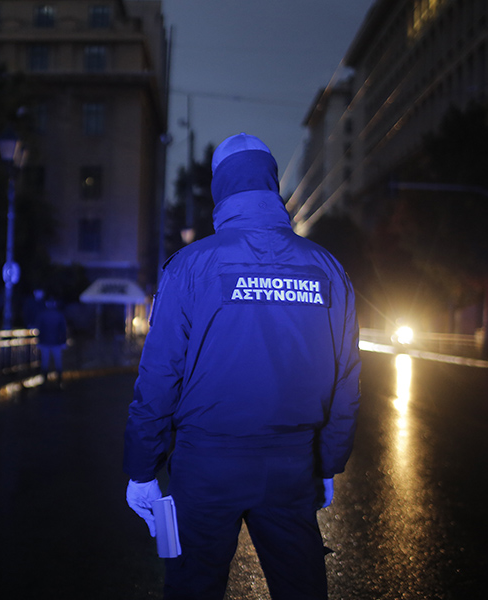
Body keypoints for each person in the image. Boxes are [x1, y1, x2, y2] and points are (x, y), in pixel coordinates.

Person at [123, 133, 361, 599]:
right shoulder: (328, 268)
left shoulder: (190, 266)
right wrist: (327, 464)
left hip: (205, 467)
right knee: (301, 588)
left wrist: (141, 467)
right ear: (272, 184)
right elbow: (346, 381)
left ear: (220, 188)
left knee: (194, 587)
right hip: (291, 467)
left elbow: (158, 377)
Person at [35, 297, 68, 385]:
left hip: (45, 342)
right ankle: (59, 379)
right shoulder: (59, 315)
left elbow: (39, 329)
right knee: (58, 361)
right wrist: (63, 342)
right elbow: (63, 330)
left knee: (45, 361)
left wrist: (39, 341)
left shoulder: (42, 315)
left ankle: (44, 379)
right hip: (56, 342)